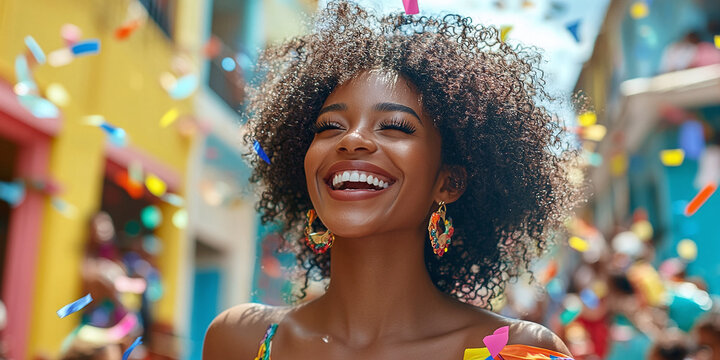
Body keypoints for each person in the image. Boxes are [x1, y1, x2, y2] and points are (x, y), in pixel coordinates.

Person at [203, 1, 580, 359]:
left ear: (448, 183)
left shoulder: (518, 350)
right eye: (329, 126)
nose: (351, 139)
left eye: (395, 127)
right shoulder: (238, 340)